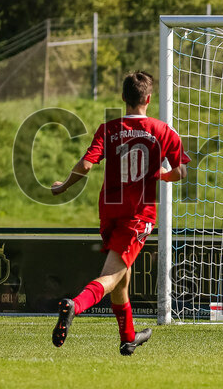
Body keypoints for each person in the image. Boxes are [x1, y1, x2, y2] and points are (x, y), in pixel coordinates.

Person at [50, 71, 190, 355]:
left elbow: (86, 166)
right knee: (112, 276)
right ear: (148, 99)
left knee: (122, 279)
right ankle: (75, 305)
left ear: (123, 97)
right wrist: (162, 176)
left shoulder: (108, 128)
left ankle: (128, 338)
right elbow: (180, 171)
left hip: (109, 214)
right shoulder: (163, 131)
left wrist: (64, 185)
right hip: (138, 215)